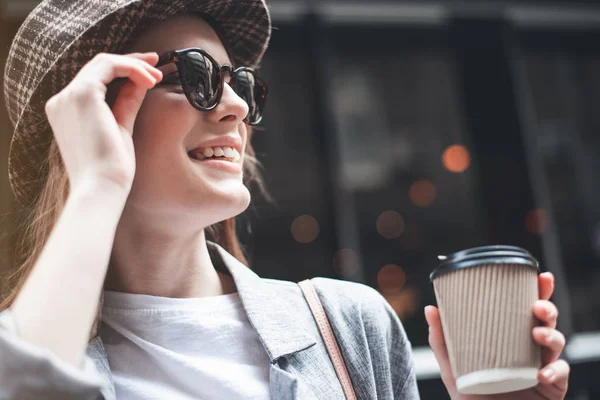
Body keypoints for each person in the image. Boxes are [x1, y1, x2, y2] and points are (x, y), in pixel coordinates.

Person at [0, 0, 569, 399]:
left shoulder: (347, 326)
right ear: (89, 118)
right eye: (192, 76)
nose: (237, 107)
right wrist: (97, 185)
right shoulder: (32, 341)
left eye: (239, 82)